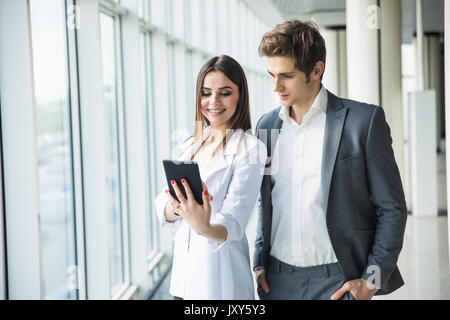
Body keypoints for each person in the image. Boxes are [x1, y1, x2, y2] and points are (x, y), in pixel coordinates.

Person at [253, 20, 407, 300]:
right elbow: (267, 200)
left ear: (317, 70)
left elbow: (392, 208)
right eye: (271, 74)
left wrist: (371, 281)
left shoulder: (363, 122)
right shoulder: (266, 127)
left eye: (286, 75)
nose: (276, 86)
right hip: (277, 282)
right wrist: (258, 262)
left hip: (338, 281)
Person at [155, 55, 267, 300]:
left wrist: (203, 226)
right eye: (206, 93)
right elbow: (161, 203)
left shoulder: (250, 149)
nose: (213, 102)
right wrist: (177, 208)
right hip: (182, 280)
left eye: (225, 93)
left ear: (240, 96)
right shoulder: (190, 145)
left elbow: (234, 222)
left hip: (218, 281)